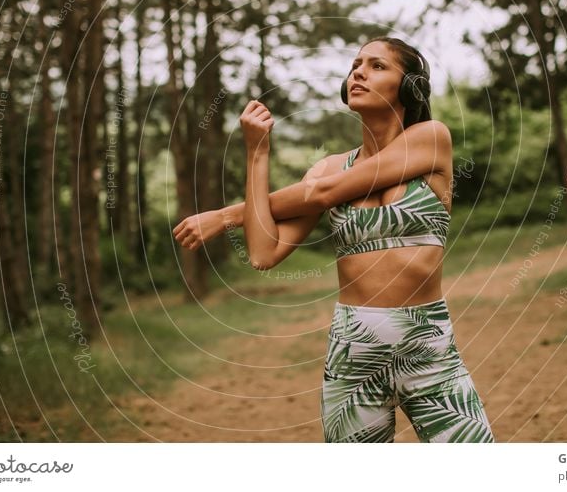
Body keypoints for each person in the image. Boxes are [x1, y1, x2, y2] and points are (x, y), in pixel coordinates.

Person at [173, 37, 494, 443]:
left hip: (428, 350)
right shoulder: (327, 167)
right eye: (355, 64)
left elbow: (324, 194)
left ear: (410, 87)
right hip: (351, 354)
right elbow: (263, 251)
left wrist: (223, 216)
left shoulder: (431, 138)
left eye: (377, 66)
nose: (358, 71)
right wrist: (258, 151)